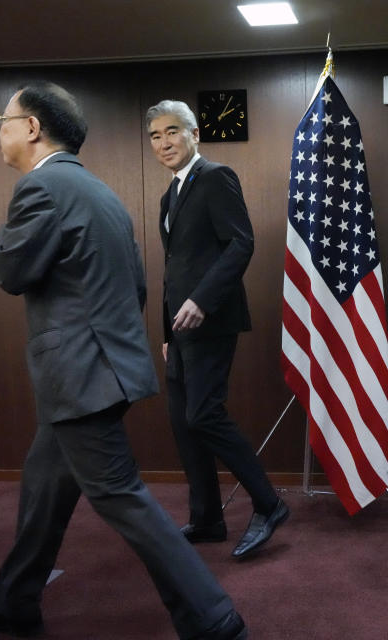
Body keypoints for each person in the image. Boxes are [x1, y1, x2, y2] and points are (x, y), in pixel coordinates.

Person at [0, 82, 247, 640]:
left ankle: (214, 619)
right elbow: (136, 286)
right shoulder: (97, 190)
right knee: (44, 487)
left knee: (122, 497)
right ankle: (17, 602)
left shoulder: (42, 188)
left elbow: (10, 272)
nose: (0, 127)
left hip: (80, 378)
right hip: (101, 371)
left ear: (33, 128)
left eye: (5, 117)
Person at [146, 100, 288, 558]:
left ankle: (269, 505)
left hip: (211, 320)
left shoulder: (215, 177)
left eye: (172, 132)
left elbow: (240, 244)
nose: (163, 142)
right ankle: (206, 519)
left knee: (203, 414)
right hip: (180, 330)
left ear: (194, 135)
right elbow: (175, 268)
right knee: (183, 424)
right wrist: (167, 333)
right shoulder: (171, 194)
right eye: (155, 136)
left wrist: (201, 302)